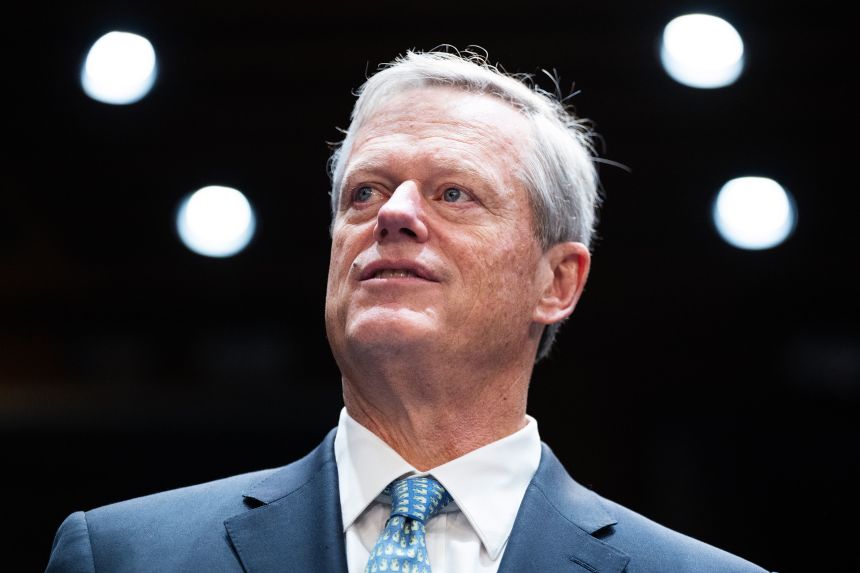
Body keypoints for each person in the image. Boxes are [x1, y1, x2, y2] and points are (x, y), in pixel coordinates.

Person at [46, 50, 770, 573]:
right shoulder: (123, 555)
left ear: (556, 282)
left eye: (454, 192)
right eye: (364, 192)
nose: (392, 214)